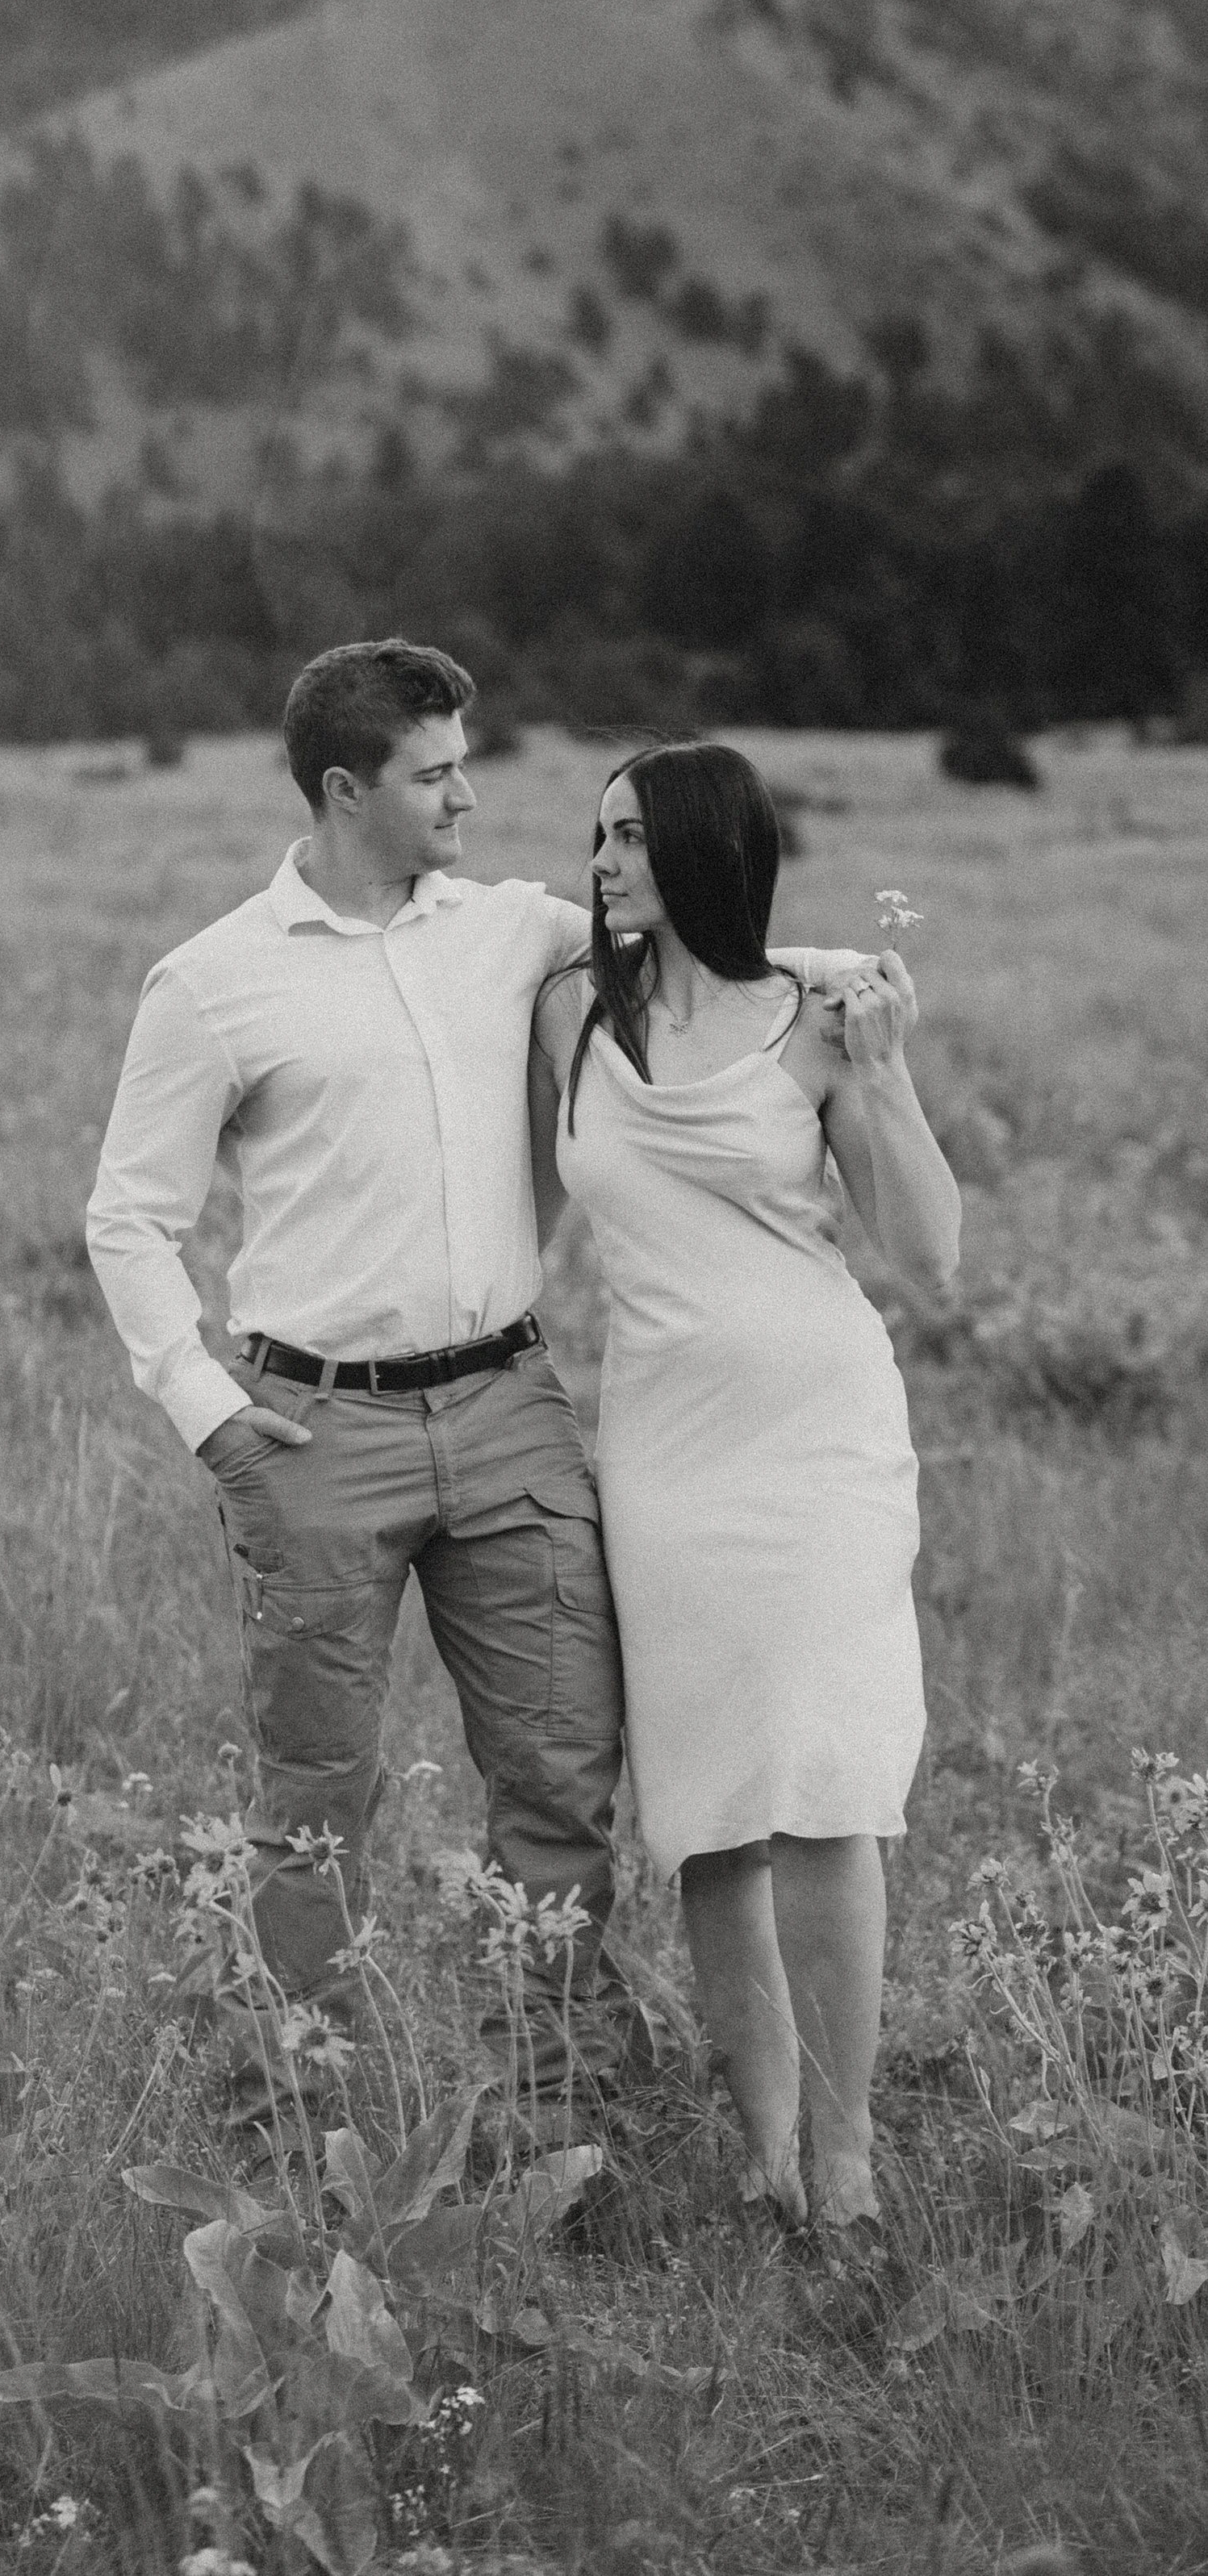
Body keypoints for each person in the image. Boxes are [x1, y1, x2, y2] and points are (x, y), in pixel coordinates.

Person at [86, 641, 860, 2140]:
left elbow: (703, 953)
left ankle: (555, 2105)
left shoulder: (513, 930)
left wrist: (853, 976)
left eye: (464, 761)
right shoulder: (212, 979)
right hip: (314, 1428)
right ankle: (293, 2110)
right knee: (316, 1797)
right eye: (436, 772)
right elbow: (128, 1215)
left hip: (509, 1408)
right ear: (344, 789)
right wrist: (208, 1409)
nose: (469, 793)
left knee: (561, 1778)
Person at [534, 741, 959, 2242]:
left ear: (705, 848)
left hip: (816, 1435)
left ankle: (847, 2151)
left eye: (633, 838)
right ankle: (765, 2147)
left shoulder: (820, 1026)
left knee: (826, 1792)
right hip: (662, 1450)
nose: (604, 864)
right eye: (597, 838)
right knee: (712, 1811)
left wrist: (887, 1070)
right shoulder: (571, 1010)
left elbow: (931, 1253)